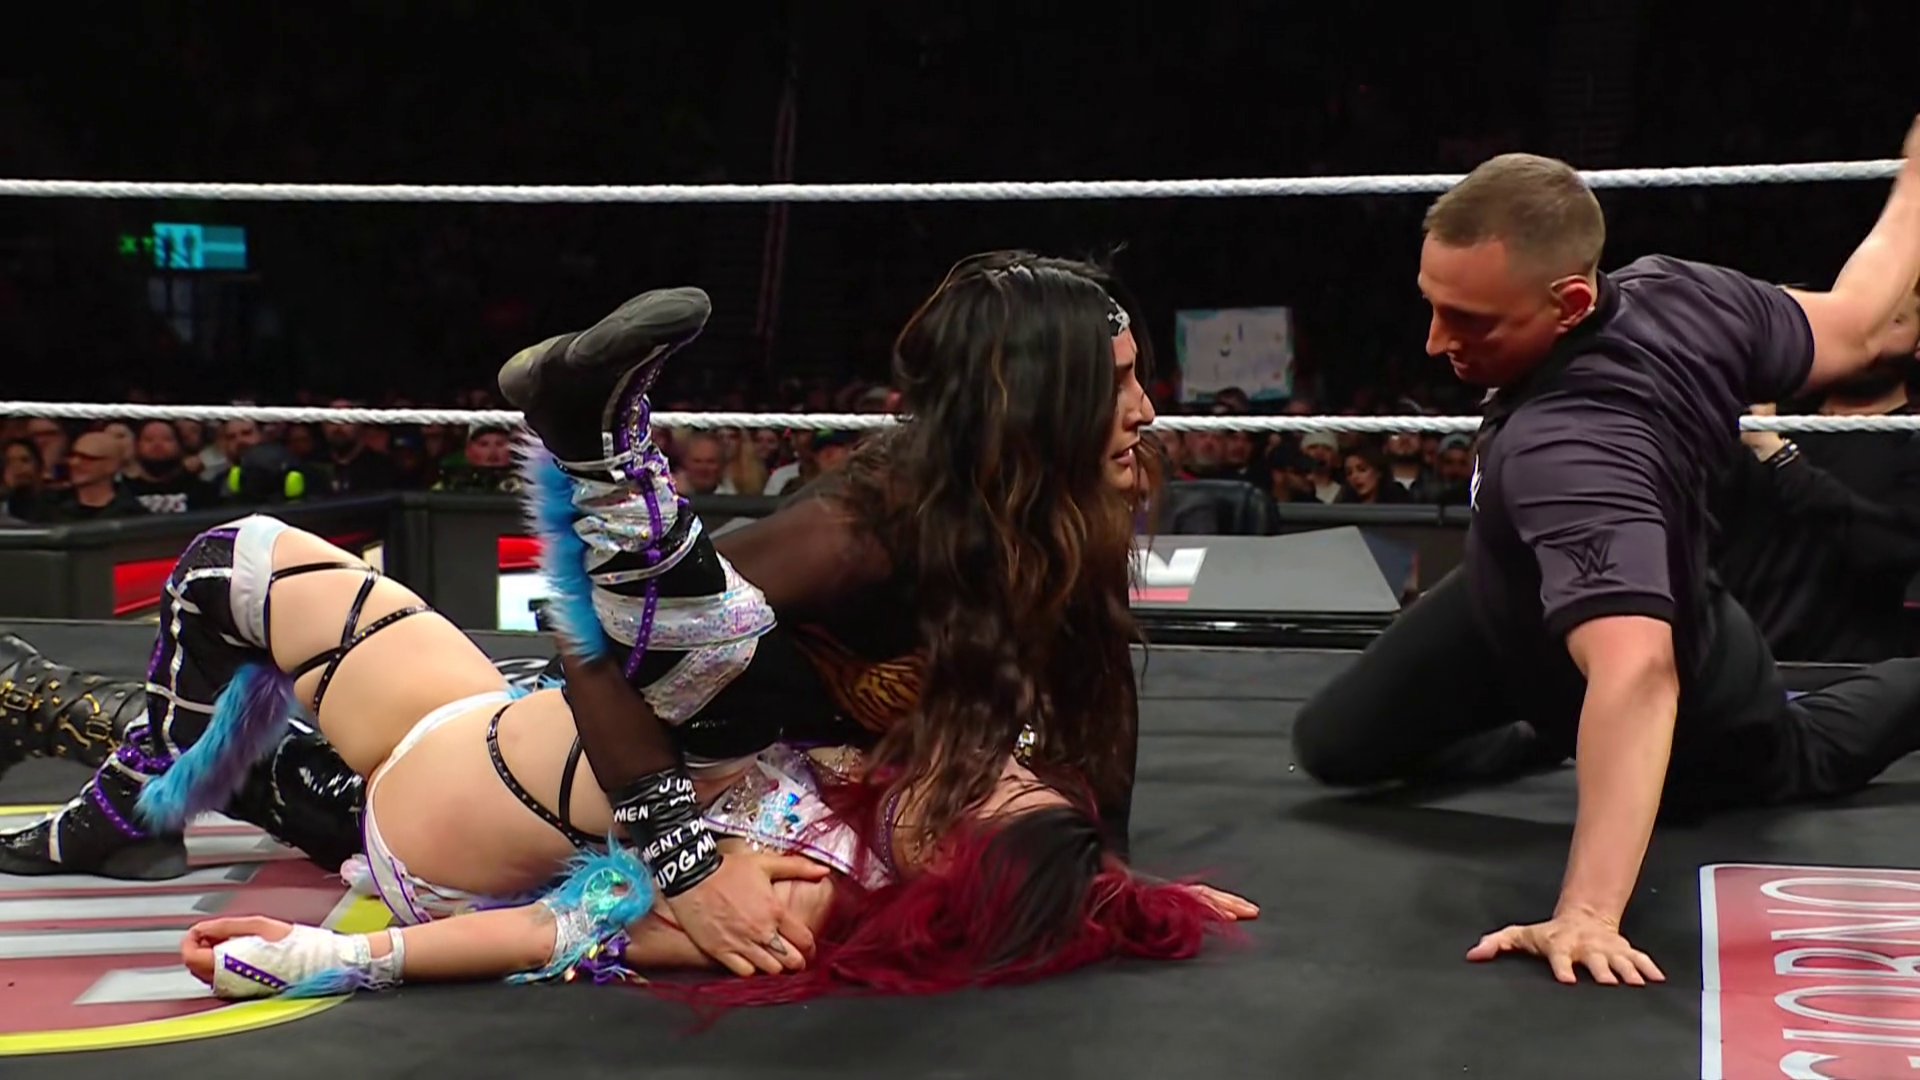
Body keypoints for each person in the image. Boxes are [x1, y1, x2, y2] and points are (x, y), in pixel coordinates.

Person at [2, 253, 1255, 978]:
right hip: (587, 737)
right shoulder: (863, 529)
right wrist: (685, 864)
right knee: (242, 567)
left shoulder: (1054, 531)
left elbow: (1096, 693)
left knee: (288, 724)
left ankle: (69, 739)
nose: (1148, 410)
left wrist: (1102, 876)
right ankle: (612, 484)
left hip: (513, 784)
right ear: (1035, 401)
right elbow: (585, 649)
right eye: (1120, 382)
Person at [1290, 120, 1920, 988]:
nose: (1435, 341)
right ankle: (1546, 734)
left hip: (1693, 668)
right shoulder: (1684, 293)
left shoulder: (1576, 446)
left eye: (1469, 320)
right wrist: (1914, 187)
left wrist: (1587, 911)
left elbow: (1639, 670)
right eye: (1433, 303)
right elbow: (1853, 322)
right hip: (1509, 599)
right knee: (1331, 745)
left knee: (1796, 753)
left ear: (1572, 302)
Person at [1713, 281, 1920, 662]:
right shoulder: (1764, 417)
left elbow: (1888, 548)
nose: (1866, 334)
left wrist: (1779, 457)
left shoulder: (1909, 442)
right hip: (1735, 667)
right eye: (1859, 317)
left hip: (1843, 676)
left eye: (1892, 320)